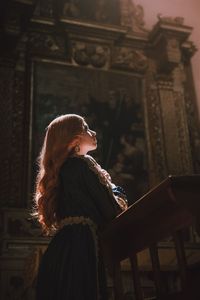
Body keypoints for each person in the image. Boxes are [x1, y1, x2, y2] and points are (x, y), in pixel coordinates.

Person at [32, 114, 128, 300]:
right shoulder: (84, 163)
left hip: (60, 250)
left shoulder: (59, 172)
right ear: (73, 139)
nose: (93, 132)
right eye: (86, 128)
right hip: (82, 244)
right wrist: (117, 192)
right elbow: (111, 211)